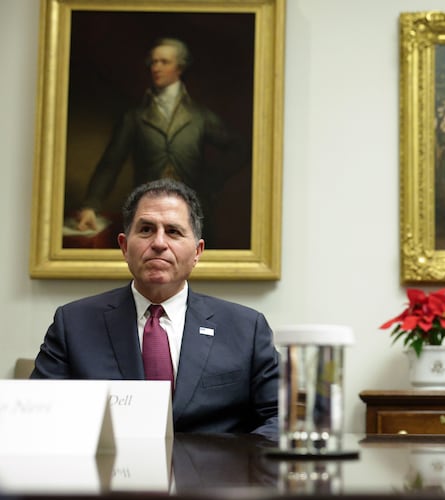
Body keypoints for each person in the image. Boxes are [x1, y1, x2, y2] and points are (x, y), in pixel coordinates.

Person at [33, 178, 278, 438]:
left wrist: (238, 459)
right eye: (146, 229)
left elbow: (280, 417)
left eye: (173, 231)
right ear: (124, 247)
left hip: (215, 464)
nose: (159, 242)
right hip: (109, 463)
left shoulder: (246, 329)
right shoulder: (73, 324)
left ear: (197, 251)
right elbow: (40, 417)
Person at [72, 37, 248, 246]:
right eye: (153, 62)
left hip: (195, 215)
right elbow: (111, 163)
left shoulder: (199, 116)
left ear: (179, 68)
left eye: (164, 62)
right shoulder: (135, 117)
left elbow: (239, 147)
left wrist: (212, 178)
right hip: (147, 215)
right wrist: (91, 205)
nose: (156, 67)